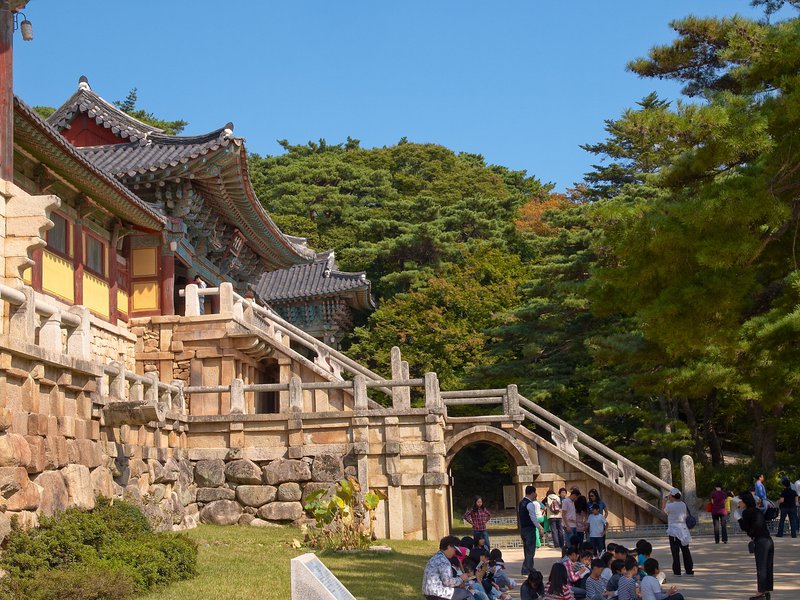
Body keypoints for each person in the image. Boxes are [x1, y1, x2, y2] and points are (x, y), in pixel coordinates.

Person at [738, 490, 774, 600]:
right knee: (768, 566)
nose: (739, 504)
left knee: (761, 567)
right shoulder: (757, 511)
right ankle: (766, 590)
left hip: (760, 541)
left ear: (745, 502)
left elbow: (746, 528)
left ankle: (760, 592)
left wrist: (739, 519)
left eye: (740, 502)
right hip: (768, 540)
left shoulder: (747, 512)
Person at [422, 535, 473, 600]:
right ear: (449, 547)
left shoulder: (436, 557)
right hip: (437, 592)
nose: (454, 553)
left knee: (460, 593)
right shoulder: (444, 561)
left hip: (429, 591)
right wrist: (461, 578)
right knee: (467, 594)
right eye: (455, 551)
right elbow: (447, 582)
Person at [663, 488, 693, 577]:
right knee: (686, 550)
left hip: (674, 530)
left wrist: (664, 501)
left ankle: (677, 571)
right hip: (683, 529)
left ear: (671, 496)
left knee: (675, 552)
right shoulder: (683, 504)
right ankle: (689, 570)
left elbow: (664, 511)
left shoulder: (670, 506)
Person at [518, 486, 546, 576]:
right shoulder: (530, 504)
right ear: (533, 493)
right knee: (530, 550)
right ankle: (527, 568)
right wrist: (539, 527)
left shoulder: (521, 503)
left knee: (527, 550)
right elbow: (533, 518)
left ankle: (529, 567)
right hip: (529, 529)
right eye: (535, 492)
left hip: (523, 529)